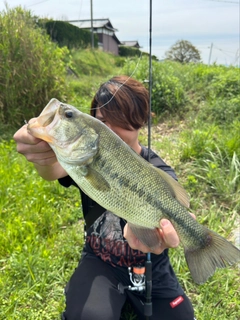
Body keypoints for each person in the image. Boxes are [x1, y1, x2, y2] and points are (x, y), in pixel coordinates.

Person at [14, 76, 195, 320]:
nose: (108, 129)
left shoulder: (158, 172)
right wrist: (41, 155)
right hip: (100, 260)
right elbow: (52, 170)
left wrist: (170, 231)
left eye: (119, 120)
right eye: (100, 121)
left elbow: (174, 214)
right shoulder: (84, 157)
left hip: (153, 267)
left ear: (140, 120)